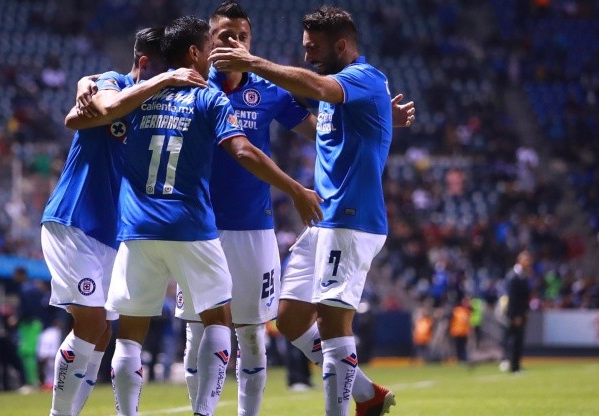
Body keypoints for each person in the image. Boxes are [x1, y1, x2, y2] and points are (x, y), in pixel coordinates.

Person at [175, 2, 415, 415]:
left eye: (313, 48)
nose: (307, 55)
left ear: (341, 44)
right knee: (287, 320)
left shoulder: (362, 77)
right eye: (304, 48)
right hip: (299, 222)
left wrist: (253, 63)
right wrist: (382, 116)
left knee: (330, 322)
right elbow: (326, 122)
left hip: (348, 219)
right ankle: (364, 394)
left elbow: (317, 92)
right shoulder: (194, 85)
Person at [82, 15, 321, 416]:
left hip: (139, 229)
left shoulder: (134, 95)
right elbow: (243, 151)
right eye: (215, 43)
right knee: (216, 322)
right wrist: (296, 189)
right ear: (197, 50)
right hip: (193, 226)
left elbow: (89, 113)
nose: (223, 50)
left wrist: (87, 86)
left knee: (129, 337)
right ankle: (204, 413)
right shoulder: (207, 96)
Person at [44, 26, 201, 416]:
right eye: (163, 71)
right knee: (91, 324)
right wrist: (92, 82)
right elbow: (86, 114)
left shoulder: (152, 109)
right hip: (74, 220)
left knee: (100, 336)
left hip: (111, 235)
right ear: (145, 64)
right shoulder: (111, 82)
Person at [12, 267, 44, 390]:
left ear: (21, 275)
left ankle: (32, 382)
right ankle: (33, 381)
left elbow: (25, 309)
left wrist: (17, 318)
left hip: (28, 324)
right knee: (28, 352)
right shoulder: (35, 288)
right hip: (36, 322)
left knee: (27, 352)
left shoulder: (24, 289)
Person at [501, 250, 532, 373]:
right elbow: (512, 298)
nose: (528, 262)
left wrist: (525, 312)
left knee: (518, 339)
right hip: (515, 314)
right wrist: (516, 315)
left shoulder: (522, 275)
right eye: (526, 259)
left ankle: (516, 364)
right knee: (513, 339)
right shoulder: (513, 276)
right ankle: (512, 365)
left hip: (520, 313)